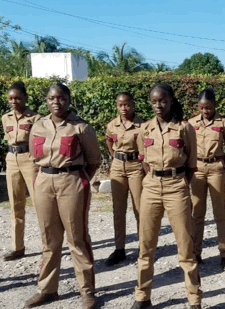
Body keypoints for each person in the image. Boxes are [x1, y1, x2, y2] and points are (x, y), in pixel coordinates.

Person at [25, 83, 101, 309]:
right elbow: (33, 156)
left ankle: (87, 291)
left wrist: (78, 178)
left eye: (61, 98)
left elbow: (94, 160)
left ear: (68, 100)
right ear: (46, 100)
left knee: (77, 238)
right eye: (51, 98)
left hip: (72, 181)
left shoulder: (81, 127)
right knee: (49, 238)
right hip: (44, 181)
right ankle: (47, 290)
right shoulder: (38, 126)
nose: (56, 102)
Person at [132, 83, 202, 309]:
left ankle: (194, 299)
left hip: (176, 186)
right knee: (146, 245)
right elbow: (143, 160)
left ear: (171, 101)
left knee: (185, 246)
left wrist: (178, 183)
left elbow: (191, 165)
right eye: (154, 101)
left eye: (163, 100)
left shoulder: (184, 128)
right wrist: (154, 178)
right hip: (151, 186)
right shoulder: (144, 129)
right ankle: (142, 297)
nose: (158, 105)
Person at [188, 89, 225, 271]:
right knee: (197, 213)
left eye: (208, 107)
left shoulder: (224, 123)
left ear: (214, 105)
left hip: (216, 169)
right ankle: (196, 252)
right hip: (197, 169)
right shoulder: (191, 123)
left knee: (220, 213)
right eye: (201, 107)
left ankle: (224, 254)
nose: (205, 111)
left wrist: (224, 162)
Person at [1, 81, 41, 261]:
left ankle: (48, 244)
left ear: (25, 98)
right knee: (15, 205)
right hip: (11, 160)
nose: (14, 101)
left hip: (30, 160)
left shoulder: (36, 118)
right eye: (11, 98)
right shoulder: (5, 118)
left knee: (39, 203)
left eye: (18, 98)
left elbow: (40, 142)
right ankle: (17, 247)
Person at [104, 92, 144, 266]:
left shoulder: (142, 125)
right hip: (118, 167)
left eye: (127, 104)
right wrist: (115, 156)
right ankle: (119, 248)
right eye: (120, 105)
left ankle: (144, 248)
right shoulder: (112, 125)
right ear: (116, 105)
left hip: (136, 166)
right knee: (118, 209)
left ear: (133, 105)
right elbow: (108, 141)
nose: (124, 108)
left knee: (139, 208)